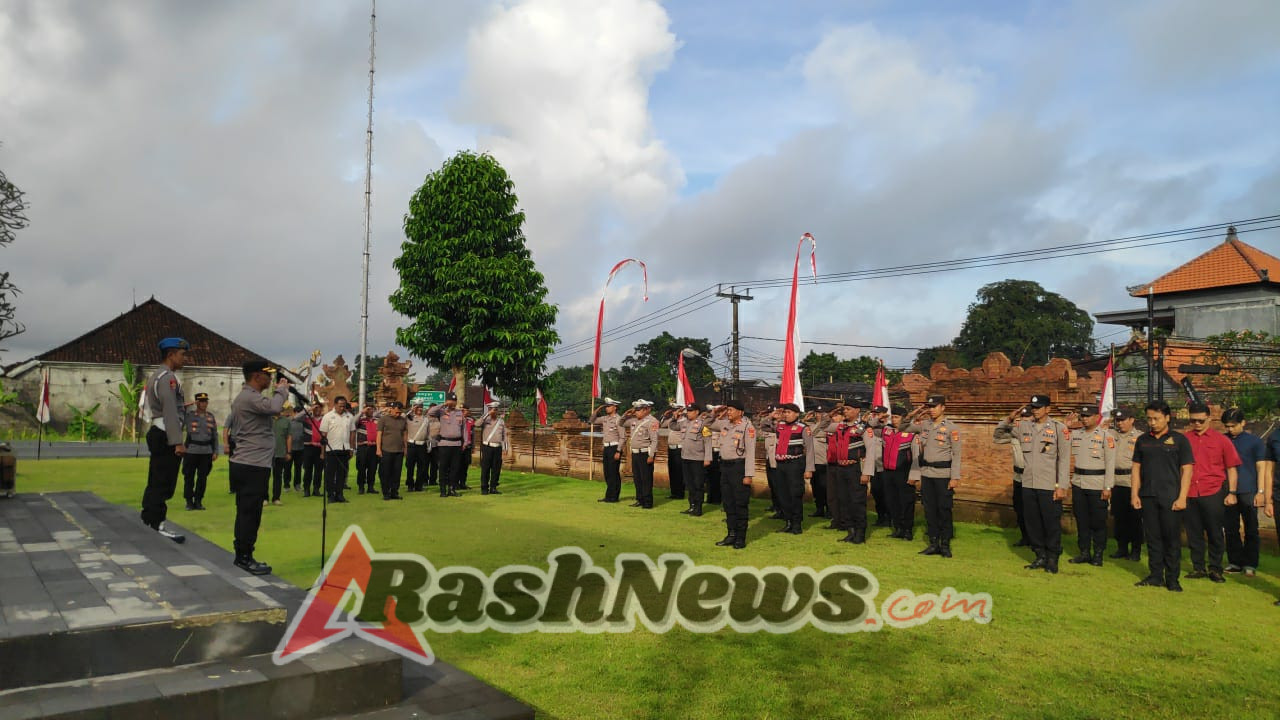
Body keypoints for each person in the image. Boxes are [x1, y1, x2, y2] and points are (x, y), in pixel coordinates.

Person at [227, 360, 289, 575]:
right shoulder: (250, 397)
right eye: (267, 375)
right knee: (249, 513)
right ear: (256, 376)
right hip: (251, 464)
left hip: (250, 462)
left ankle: (244, 554)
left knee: (248, 512)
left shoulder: (248, 397)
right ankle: (244, 557)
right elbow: (274, 407)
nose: (270, 379)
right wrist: (281, 391)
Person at [1132, 400, 1194, 592]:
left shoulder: (1179, 440)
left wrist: (1182, 497)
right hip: (1148, 496)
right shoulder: (1143, 440)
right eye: (1149, 418)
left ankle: (1173, 579)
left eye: (1156, 418)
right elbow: (1136, 469)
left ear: (1167, 418)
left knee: (1171, 539)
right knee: (1153, 538)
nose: (1152, 422)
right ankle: (1155, 575)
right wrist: (1135, 494)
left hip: (1171, 497)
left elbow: (1187, 470)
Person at [1007, 395, 1070, 573]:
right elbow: (1000, 432)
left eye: (1039, 407)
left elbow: (1064, 460)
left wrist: (1062, 486)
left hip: (1049, 485)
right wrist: (1010, 418)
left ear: (1048, 409)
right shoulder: (1024, 427)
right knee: (1032, 523)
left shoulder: (1059, 428)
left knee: (1051, 523)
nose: (1035, 410)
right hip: (1028, 483)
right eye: (1033, 407)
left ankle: (1052, 558)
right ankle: (1040, 555)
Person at [1182, 401, 1242, 583]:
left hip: (1213, 491)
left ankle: (1215, 568)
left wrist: (1232, 492)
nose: (1197, 424)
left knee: (1215, 532)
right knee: (1194, 532)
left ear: (1209, 418)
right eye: (1193, 421)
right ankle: (1198, 567)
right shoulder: (1185, 440)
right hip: (1191, 491)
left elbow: (1232, 468)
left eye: (1200, 420)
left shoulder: (1221, 440)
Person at [141, 337, 190, 543]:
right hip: (166, 434)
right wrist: (177, 441)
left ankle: (149, 518)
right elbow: (169, 410)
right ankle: (157, 523)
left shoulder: (158, 376)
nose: (185, 358)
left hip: (160, 430)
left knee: (156, 479)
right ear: (171, 355)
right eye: (182, 354)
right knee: (164, 482)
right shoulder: (167, 378)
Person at [902, 394, 961, 558]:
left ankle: (945, 544)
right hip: (927, 473)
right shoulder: (924, 425)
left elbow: (957, 455)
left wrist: (954, 477)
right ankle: (933, 543)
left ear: (943, 407)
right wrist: (914, 413)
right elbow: (903, 427)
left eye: (934, 406)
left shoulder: (951, 428)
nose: (931, 410)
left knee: (944, 509)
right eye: (929, 407)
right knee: (929, 510)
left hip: (944, 475)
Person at [1065, 406, 1115, 566]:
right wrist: (1065, 426)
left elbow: (1110, 463)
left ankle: (1098, 554)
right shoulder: (1076, 434)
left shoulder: (1106, 436)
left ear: (1096, 417)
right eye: (1082, 416)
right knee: (1082, 520)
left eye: (1088, 416)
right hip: (1079, 483)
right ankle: (1084, 552)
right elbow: (1060, 441)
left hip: (1097, 484)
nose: (1084, 419)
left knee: (1098, 522)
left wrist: (1108, 487)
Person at [1222, 408, 1266, 577]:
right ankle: (1235, 562)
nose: (1230, 429)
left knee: (1251, 529)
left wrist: (1260, 491)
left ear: (1243, 423)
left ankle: (1250, 563)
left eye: (1233, 426)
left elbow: (1261, 467)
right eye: (1227, 426)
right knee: (1230, 528)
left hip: (1249, 490)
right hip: (1227, 491)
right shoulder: (1223, 440)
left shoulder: (1254, 442)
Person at [712, 400, 755, 549]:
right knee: (728, 503)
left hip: (739, 468)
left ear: (740, 412)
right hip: (725, 467)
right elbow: (707, 422)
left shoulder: (747, 427)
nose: (729, 412)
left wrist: (748, 474)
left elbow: (750, 452)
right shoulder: (724, 424)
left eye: (731, 410)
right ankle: (731, 535)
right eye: (728, 410)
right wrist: (716, 412)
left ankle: (740, 538)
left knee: (740, 504)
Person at [825, 405, 867, 543]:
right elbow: (822, 426)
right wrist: (832, 413)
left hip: (855, 467)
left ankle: (860, 533)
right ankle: (850, 531)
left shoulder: (863, 427)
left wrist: (866, 472)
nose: (846, 411)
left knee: (857, 501)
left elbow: (870, 451)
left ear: (857, 410)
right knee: (844, 500)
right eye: (845, 409)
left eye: (849, 409)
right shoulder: (840, 426)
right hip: (841, 468)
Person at [993, 406, 1033, 546]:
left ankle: (1037, 540)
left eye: (1027, 418)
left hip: (1033, 478)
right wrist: (1009, 419)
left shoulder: (1038, 434)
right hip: (1018, 477)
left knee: (1033, 511)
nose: (1024, 421)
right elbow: (997, 437)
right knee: (1019, 509)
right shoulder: (1014, 434)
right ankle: (1025, 537)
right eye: (1021, 418)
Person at [772, 403, 815, 535]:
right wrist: (772, 416)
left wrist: (809, 469)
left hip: (795, 464)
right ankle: (788, 522)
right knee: (782, 494)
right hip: (781, 464)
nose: (786, 414)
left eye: (789, 412)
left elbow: (810, 449)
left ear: (797, 414)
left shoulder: (803, 428)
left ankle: (796, 524)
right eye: (785, 412)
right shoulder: (780, 426)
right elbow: (764, 425)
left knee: (795, 494)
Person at [1108, 408, 1144, 561]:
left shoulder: (1140, 437)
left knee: (1134, 519)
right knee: (1119, 518)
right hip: (1115, 481)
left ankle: (1135, 550)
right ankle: (1121, 548)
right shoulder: (1110, 435)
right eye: (1117, 420)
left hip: (1132, 482)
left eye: (1123, 419)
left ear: (1132, 420)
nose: (1120, 423)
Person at [881, 408, 917, 541]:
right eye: (893, 417)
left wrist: (914, 475)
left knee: (906, 502)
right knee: (892, 501)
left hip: (904, 472)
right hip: (888, 472)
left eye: (897, 417)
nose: (894, 420)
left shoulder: (911, 433)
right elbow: (871, 425)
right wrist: (879, 417)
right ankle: (897, 528)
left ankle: (907, 529)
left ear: (903, 418)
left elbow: (916, 456)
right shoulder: (886, 431)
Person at [182, 392, 219, 511]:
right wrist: (185, 406)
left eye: (205, 401)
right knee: (189, 477)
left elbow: (214, 435)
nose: (204, 403)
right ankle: (189, 501)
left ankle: (198, 500)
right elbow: (178, 414)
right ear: (196, 402)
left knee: (202, 478)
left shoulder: (210, 417)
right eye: (201, 401)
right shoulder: (189, 416)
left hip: (206, 452)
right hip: (192, 450)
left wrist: (215, 451)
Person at [623, 400, 660, 509]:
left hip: (645, 453)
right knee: (637, 478)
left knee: (646, 479)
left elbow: (654, 440)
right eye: (635, 410)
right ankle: (640, 499)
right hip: (635, 453)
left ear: (645, 410)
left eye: (638, 410)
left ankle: (648, 502)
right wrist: (626, 414)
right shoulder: (634, 420)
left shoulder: (652, 421)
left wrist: (651, 455)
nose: (636, 412)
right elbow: (620, 423)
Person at [428, 393, 466, 497]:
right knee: (443, 468)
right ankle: (443, 490)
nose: (453, 403)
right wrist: (444, 404)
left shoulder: (460, 413)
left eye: (454, 401)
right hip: (444, 444)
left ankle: (452, 489)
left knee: (455, 468)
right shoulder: (441, 411)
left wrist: (465, 442)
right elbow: (430, 412)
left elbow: (464, 429)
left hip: (457, 444)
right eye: (451, 401)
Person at [679, 404, 714, 516]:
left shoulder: (703, 424)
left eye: (691, 411)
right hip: (686, 457)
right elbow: (672, 426)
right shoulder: (684, 423)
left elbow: (708, 441)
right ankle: (691, 506)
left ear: (697, 412)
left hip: (698, 459)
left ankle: (698, 508)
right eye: (688, 411)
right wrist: (675, 416)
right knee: (689, 484)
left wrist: (708, 458)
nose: (688, 413)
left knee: (698, 484)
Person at [319, 396, 355, 503]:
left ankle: (340, 495)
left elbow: (352, 432)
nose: (342, 408)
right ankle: (330, 495)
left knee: (342, 474)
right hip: (331, 449)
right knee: (330, 474)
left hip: (345, 448)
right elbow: (323, 435)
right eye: (340, 406)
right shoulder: (328, 417)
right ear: (335, 405)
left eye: (343, 406)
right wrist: (322, 452)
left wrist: (352, 448)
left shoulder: (349, 416)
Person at [589, 398, 626, 503]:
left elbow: (623, 437)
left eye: (609, 406)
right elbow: (591, 420)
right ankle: (608, 496)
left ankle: (614, 496)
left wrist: (618, 451)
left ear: (615, 407)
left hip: (614, 448)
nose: (607, 408)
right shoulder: (605, 418)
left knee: (614, 473)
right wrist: (597, 410)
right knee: (607, 473)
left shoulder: (619, 419)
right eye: (606, 406)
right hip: (606, 448)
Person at [376, 401, 408, 500]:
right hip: (386, 450)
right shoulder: (383, 419)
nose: (398, 414)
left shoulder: (403, 420)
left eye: (400, 412)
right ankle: (386, 492)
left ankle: (394, 492)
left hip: (399, 451)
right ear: (391, 409)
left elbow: (405, 435)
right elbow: (379, 435)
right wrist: (378, 449)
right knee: (385, 472)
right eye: (396, 412)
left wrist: (406, 448)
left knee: (397, 473)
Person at [477, 401, 510, 495]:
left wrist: (505, 448)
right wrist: (487, 414)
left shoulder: (501, 421)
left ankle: (493, 487)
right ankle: (484, 488)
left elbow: (505, 436)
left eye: (495, 410)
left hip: (498, 448)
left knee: (496, 469)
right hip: (487, 447)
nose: (494, 412)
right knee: (485, 468)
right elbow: (477, 424)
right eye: (492, 410)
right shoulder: (485, 420)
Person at [757, 406, 782, 518]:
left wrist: (778, 419)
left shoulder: (781, 427)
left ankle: (781, 509)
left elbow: (776, 429)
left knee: (779, 485)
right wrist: (769, 416)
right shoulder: (769, 425)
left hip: (778, 460)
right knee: (772, 484)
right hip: (769, 459)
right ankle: (775, 505)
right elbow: (761, 426)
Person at [806, 407, 831, 519]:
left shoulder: (829, 427)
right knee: (815, 486)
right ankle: (819, 509)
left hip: (823, 461)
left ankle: (829, 510)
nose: (819, 415)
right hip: (813, 462)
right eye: (817, 412)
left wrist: (824, 420)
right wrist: (805, 419)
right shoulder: (811, 426)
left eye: (821, 412)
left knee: (825, 487)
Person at [299, 402, 326, 497]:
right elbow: (296, 418)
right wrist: (309, 409)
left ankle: (316, 489)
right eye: (316, 408)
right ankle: (306, 489)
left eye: (319, 408)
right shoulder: (307, 419)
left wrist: (323, 452)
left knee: (318, 471)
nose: (317, 410)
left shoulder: (324, 419)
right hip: (308, 447)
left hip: (320, 448)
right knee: (308, 470)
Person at [660, 406, 686, 501]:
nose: (675, 412)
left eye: (677, 410)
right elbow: (661, 425)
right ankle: (674, 492)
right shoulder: (672, 420)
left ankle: (680, 493)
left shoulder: (684, 421)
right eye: (674, 410)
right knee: (672, 471)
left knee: (679, 472)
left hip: (679, 448)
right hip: (671, 448)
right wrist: (664, 416)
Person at [354, 404, 379, 495]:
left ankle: (370, 487)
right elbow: (353, 422)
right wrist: (361, 412)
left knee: (373, 468)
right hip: (363, 447)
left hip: (374, 447)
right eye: (368, 409)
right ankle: (361, 487)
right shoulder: (360, 420)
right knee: (361, 468)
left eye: (372, 409)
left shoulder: (377, 420)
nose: (370, 411)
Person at [405, 401, 428, 492]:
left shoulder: (426, 419)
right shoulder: (410, 418)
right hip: (412, 445)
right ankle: (410, 485)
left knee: (421, 467)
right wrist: (411, 409)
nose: (419, 409)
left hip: (422, 445)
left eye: (421, 407)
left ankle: (419, 485)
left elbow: (428, 432)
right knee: (410, 466)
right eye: (417, 407)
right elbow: (403, 416)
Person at [270, 407, 291, 506]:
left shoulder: (286, 421)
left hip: (280, 452)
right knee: (264, 476)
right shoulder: (266, 419)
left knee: (278, 476)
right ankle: (264, 498)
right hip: (266, 453)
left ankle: (276, 498)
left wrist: (289, 452)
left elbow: (289, 437)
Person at [288, 404, 308, 492]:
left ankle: (297, 484)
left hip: (300, 448)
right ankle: (286, 485)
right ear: (294, 413)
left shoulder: (303, 422)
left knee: (298, 468)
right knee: (287, 467)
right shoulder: (289, 421)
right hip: (290, 448)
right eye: (298, 413)